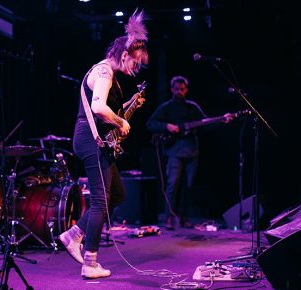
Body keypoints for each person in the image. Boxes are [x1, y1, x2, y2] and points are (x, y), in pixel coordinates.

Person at [59, 9, 148, 279]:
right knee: (99, 201)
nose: (136, 68)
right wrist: (122, 123)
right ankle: (90, 262)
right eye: (136, 62)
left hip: (96, 140)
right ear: (124, 55)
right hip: (89, 140)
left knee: (117, 194)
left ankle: (74, 234)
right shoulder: (105, 71)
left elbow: (108, 112)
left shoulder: (110, 75)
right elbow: (98, 107)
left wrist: (128, 108)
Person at [146, 75, 233, 230]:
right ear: (172, 89)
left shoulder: (192, 107)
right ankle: (169, 218)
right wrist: (167, 127)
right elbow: (150, 123)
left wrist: (221, 120)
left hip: (191, 151)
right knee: (172, 185)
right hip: (174, 152)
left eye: (182, 89)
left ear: (186, 90)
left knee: (188, 186)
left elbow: (206, 123)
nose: (179, 91)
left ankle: (184, 218)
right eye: (176, 89)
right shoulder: (166, 107)